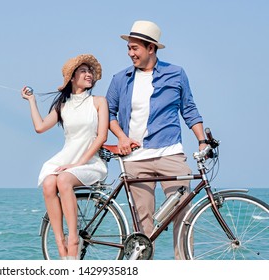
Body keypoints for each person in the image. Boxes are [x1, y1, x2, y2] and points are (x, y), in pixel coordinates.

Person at [106, 20, 207, 259]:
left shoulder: (176, 74)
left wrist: (203, 141)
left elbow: (189, 109)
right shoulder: (121, 79)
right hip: (136, 159)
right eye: (128, 48)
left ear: (151, 48)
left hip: (170, 154)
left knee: (183, 213)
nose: (130, 53)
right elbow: (108, 113)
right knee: (143, 224)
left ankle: (184, 268)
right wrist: (121, 136)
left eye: (135, 48)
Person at [21, 54, 109, 260]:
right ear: (72, 78)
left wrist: (79, 163)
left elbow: (102, 136)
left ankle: (73, 239)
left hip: (90, 162)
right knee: (49, 184)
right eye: (83, 71)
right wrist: (31, 100)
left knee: (63, 179)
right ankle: (60, 243)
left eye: (90, 71)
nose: (89, 74)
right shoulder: (63, 105)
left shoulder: (98, 102)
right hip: (66, 159)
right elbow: (40, 127)